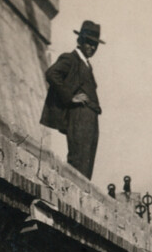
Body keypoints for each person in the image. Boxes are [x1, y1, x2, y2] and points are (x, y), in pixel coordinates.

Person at [41, 20, 104, 179]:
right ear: (80, 41)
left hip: (90, 118)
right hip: (79, 117)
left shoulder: (87, 65)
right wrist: (70, 97)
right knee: (78, 162)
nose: (92, 47)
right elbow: (51, 74)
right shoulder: (71, 58)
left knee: (87, 164)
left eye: (95, 44)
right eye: (88, 42)